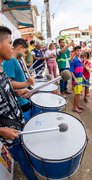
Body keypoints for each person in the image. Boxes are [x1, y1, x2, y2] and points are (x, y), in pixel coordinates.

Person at [0, 26, 38, 180]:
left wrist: (17, 92)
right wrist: (1, 131)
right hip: (8, 133)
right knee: (23, 160)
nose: (12, 47)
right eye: (9, 43)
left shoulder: (1, 68)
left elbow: (4, 91)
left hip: (18, 122)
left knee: (27, 155)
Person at [2, 38, 35, 122]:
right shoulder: (11, 60)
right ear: (20, 48)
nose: (25, 55)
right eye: (25, 52)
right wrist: (27, 83)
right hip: (20, 101)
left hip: (22, 97)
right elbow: (8, 84)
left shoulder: (15, 60)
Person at [70, 46, 85, 113]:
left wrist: (83, 76)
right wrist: (75, 79)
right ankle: (74, 107)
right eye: (77, 50)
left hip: (80, 78)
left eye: (80, 50)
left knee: (79, 93)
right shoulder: (74, 60)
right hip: (76, 79)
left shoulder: (80, 59)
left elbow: (80, 69)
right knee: (77, 94)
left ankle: (77, 105)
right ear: (75, 51)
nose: (79, 52)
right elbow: (71, 71)